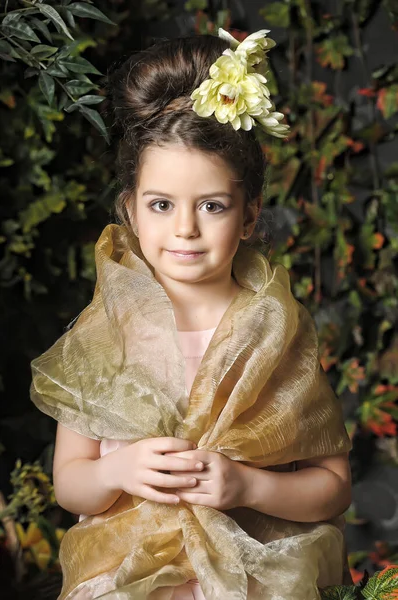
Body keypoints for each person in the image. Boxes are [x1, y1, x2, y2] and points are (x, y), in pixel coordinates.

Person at [30, 28, 352, 600]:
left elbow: (331, 488)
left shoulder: (273, 329)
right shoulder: (107, 331)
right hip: (128, 568)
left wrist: (247, 485)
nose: (184, 229)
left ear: (249, 215)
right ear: (130, 208)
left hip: (253, 570)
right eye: (161, 205)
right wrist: (115, 474)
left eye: (212, 206)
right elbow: (70, 484)